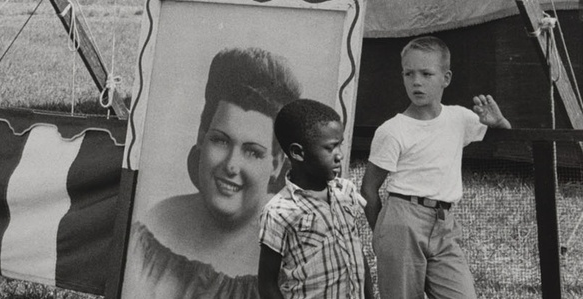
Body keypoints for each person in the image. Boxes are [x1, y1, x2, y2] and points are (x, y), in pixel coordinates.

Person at [125, 47, 302, 299]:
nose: (231, 165)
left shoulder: (301, 260)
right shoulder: (152, 232)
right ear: (201, 137)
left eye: (252, 152)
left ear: (276, 163)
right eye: (220, 141)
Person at [360, 35, 511, 299]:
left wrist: (499, 122)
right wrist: (383, 234)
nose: (416, 81)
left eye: (426, 73)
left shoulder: (459, 118)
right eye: (409, 73)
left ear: (446, 78)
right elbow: (368, 188)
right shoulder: (393, 130)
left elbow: (504, 135)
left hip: (444, 224)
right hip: (402, 220)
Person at [258, 99, 368, 299]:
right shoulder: (279, 211)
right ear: (298, 152)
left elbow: (358, 255)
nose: (339, 156)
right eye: (330, 148)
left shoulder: (346, 192)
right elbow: (267, 285)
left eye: (340, 146)